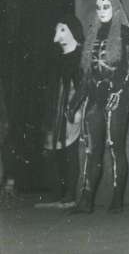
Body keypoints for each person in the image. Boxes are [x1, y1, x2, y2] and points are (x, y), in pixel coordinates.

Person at [68, 0, 129, 213]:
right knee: (91, 150)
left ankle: (117, 199)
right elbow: (86, 74)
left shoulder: (128, 35)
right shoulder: (92, 34)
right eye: (98, 7)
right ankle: (86, 200)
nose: (101, 11)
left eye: (106, 6)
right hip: (94, 97)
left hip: (116, 97)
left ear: (116, 8)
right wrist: (75, 102)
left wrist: (119, 91)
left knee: (115, 147)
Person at [36, 16, 84, 209]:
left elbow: (83, 86)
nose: (59, 35)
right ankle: (57, 194)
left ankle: (70, 195)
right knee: (51, 150)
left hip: (72, 109)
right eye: (57, 30)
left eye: (63, 29)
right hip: (54, 111)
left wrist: (78, 109)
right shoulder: (55, 58)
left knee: (71, 150)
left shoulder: (81, 56)